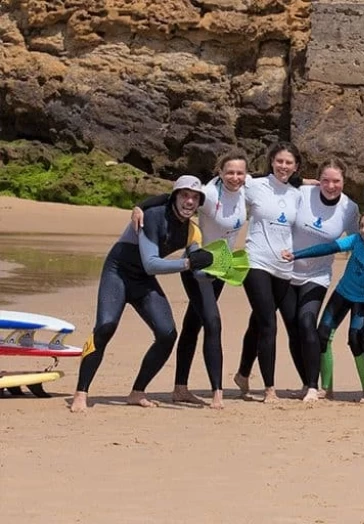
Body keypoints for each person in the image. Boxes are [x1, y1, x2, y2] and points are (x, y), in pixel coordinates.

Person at [70, 176, 214, 412]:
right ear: (174, 197)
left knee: (167, 334)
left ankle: (137, 392)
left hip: (143, 281)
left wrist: (210, 272)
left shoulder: (192, 231)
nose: (189, 201)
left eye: (195, 197)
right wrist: (189, 263)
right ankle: (81, 392)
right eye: (184, 195)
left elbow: (196, 267)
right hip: (118, 273)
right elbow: (151, 264)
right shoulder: (152, 216)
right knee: (106, 326)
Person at [131, 150, 249, 409]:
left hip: (221, 268)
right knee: (213, 322)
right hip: (197, 267)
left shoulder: (245, 190)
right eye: (229, 172)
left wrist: (308, 182)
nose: (235, 177)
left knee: (193, 324)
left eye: (240, 172)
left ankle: (180, 388)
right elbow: (170, 197)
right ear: (220, 172)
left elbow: (278, 181)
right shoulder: (208, 194)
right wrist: (141, 205)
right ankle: (217, 392)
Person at [282, 210, 364, 402]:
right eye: (362, 226)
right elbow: (328, 248)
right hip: (342, 294)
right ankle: (326, 388)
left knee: (355, 340)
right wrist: (296, 255)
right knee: (322, 335)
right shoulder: (356, 240)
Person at [234, 142, 303, 403]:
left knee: (259, 321)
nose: (283, 166)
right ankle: (269, 388)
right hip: (256, 261)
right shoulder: (253, 185)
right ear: (271, 162)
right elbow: (224, 185)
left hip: (284, 267)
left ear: (296, 166)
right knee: (268, 323)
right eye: (279, 161)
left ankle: (242, 373)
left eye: (289, 162)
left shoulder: (297, 194)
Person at [285, 158, 359, 402]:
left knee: (306, 322)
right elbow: (273, 184)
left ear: (344, 182)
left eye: (336, 181)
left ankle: (313, 386)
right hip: (285, 271)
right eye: (325, 180)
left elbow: (362, 240)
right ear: (317, 179)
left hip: (317, 276)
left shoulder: (349, 209)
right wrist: (299, 180)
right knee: (292, 330)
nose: (330, 185)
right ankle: (305, 383)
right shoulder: (303, 193)